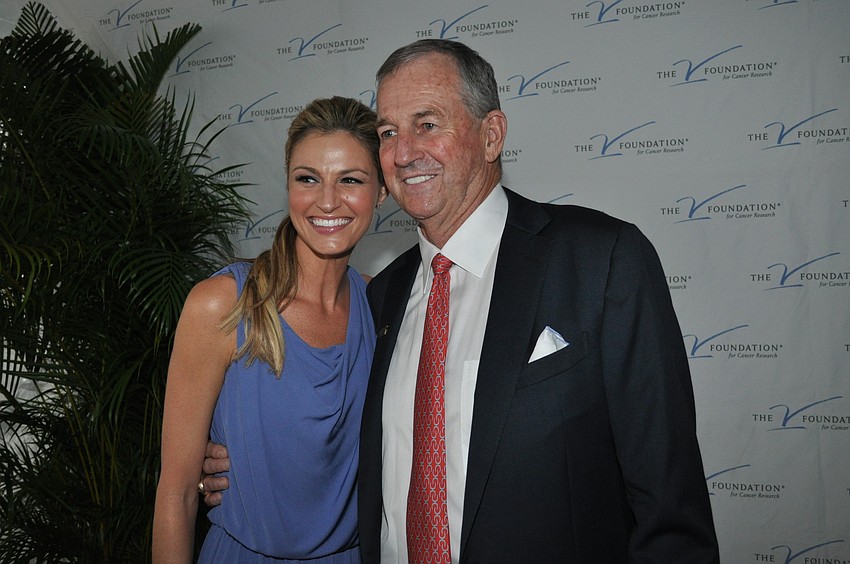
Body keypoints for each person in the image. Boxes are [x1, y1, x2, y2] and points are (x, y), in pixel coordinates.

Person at [205, 39, 720, 563]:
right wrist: (241, 471)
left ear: (491, 135)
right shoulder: (378, 298)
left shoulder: (600, 260)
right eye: (388, 132)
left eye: (428, 124)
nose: (404, 153)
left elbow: (669, 507)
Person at [152, 96, 388, 563]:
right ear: (288, 184)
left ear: (381, 191)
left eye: (351, 180)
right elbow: (176, 495)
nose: (327, 200)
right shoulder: (224, 304)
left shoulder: (383, 304)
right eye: (307, 178)